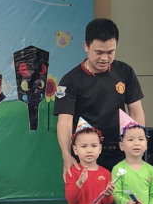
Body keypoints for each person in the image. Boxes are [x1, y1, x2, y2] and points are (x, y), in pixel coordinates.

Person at [55, 18, 146, 174]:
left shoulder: (125, 71)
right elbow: (65, 122)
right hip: (88, 155)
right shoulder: (70, 81)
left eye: (110, 52)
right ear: (86, 46)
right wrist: (66, 155)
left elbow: (136, 112)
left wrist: (137, 147)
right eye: (99, 52)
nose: (105, 58)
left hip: (122, 152)